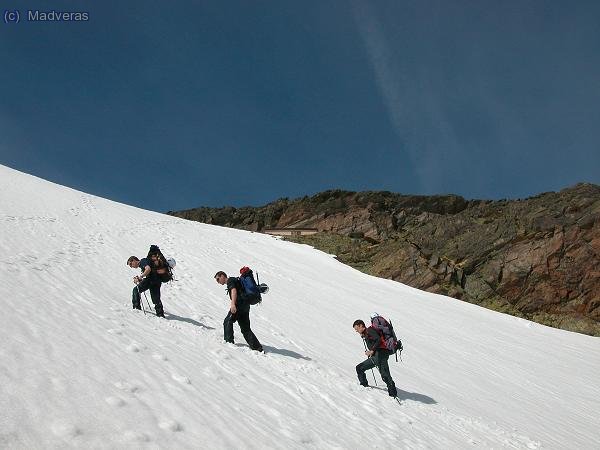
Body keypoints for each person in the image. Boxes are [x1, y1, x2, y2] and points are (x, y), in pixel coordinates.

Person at [215, 271, 263, 352]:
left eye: (218, 279)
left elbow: (234, 290)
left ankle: (228, 342)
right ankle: (257, 348)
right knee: (245, 328)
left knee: (228, 321)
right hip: (245, 306)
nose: (218, 282)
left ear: (222, 276)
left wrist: (233, 304)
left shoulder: (230, 281)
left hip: (239, 305)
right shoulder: (235, 280)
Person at [353, 319, 397, 397]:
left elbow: (379, 340)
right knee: (359, 368)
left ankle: (393, 395)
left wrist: (372, 351)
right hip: (377, 356)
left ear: (360, 325)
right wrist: (371, 351)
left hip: (381, 355)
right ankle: (364, 387)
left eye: (356, 329)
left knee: (385, 375)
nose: (356, 331)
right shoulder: (366, 334)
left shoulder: (369, 330)